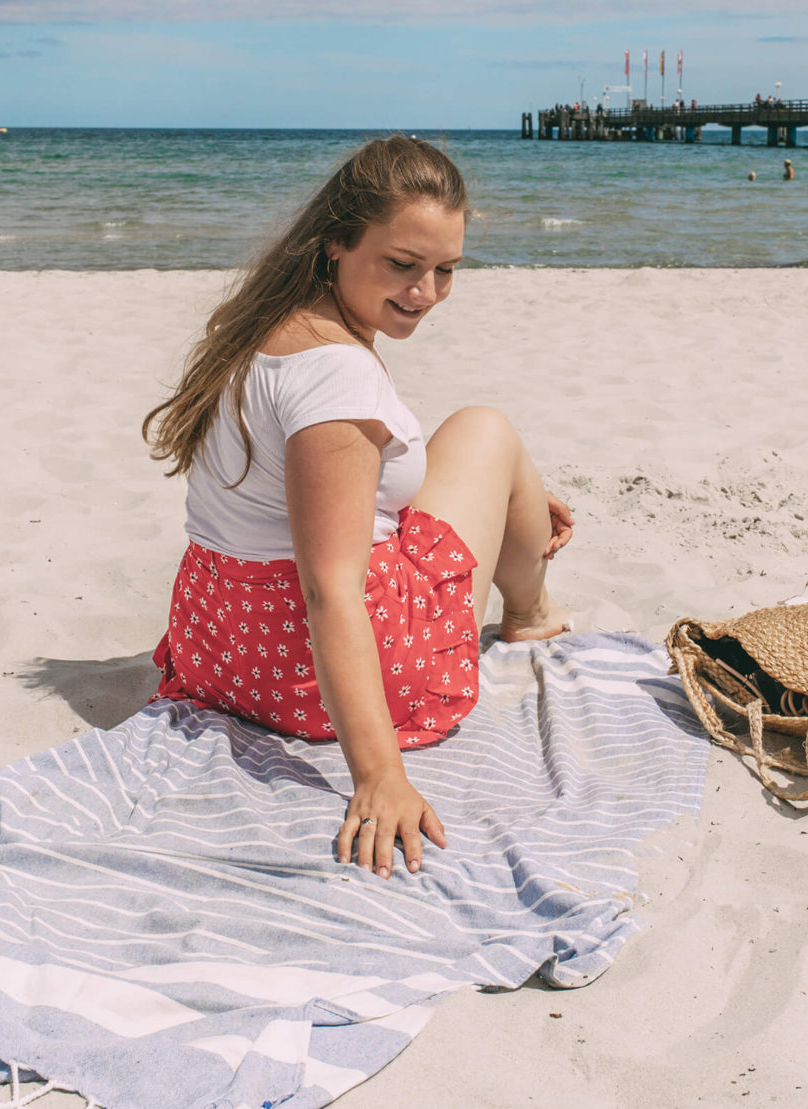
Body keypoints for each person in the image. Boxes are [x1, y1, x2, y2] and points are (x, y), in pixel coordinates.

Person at [140, 136, 573, 880]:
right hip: (314, 676)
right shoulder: (338, 378)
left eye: (446, 271)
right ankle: (530, 614)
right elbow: (329, 589)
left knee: (470, 461)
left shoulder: (256, 329)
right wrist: (378, 776)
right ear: (336, 243)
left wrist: (502, 500)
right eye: (402, 266)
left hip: (218, 651)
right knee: (485, 431)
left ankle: (516, 521)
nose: (426, 293)